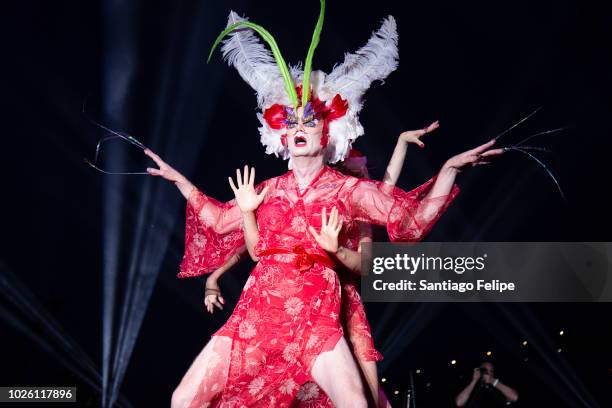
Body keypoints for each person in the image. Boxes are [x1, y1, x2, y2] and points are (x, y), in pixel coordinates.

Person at [145, 2, 504, 406]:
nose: (300, 127)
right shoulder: (267, 189)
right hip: (258, 314)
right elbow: (214, 219)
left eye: (310, 120)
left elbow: (412, 222)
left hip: (316, 318)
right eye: (292, 121)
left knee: (357, 402)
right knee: (182, 400)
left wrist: (450, 169)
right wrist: (179, 180)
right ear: (281, 135)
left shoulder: (347, 191)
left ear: (328, 133)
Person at [201, 123, 438, 408]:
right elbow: (255, 246)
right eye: (357, 171)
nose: (364, 177)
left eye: (364, 173)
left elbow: (386, 192)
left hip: (341, 297)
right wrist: (214, 277)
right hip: (306, 291)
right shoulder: (327, 200)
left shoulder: (360, 209)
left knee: (366, 389)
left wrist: (401, 142)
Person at [455, 362, 519, 407]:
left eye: (491, 371)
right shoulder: (472, 386)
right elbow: (459, 403)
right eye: (485, 370)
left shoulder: (498, 385)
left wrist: (492, 381)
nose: (488, 373)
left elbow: (514, 397)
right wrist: (474, 381)